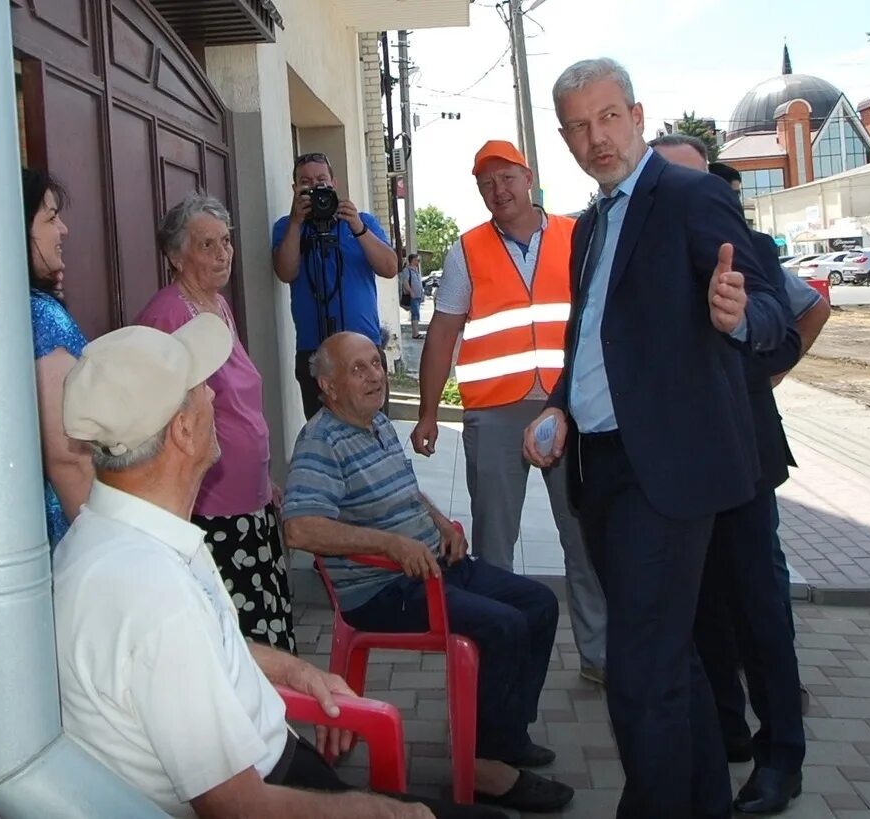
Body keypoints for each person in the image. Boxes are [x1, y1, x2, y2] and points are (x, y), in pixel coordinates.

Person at [51, 315, 500, 819]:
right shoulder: (153, 593)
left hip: (281, 762)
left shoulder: (124, 535)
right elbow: (237, 806)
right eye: (202, 389)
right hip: (266, 790)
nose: (216, 398)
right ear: (182, 430)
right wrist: (386, 813)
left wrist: (295, 669)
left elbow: (201, 644)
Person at [525, 57, 796, 818]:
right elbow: (590, 335)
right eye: (579, 126)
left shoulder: (689, 194)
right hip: (599, 469)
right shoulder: (588, 226)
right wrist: (560, 406)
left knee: (639, 672)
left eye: (608, 117)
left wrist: (738, 316)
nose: (596, 137)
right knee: (670, 663)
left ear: (638, 117)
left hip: (667, 475)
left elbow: (771, 309)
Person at [283, 331, 576, 814]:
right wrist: (391, 545)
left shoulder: (375, 424)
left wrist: (440, 523)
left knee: (540, 605)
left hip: (429, 567)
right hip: (381, 589)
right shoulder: (321, 442)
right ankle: (484, 769)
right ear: (328, 388)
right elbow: (299, 528)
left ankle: (505, 737)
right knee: (502, 627)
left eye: (376, 363)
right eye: (358, 369)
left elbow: (405, 494)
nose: (376, 374)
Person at [650, 135, 818, 815]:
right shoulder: (638, 248)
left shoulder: (747, 248)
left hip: (743, 457)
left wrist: (751, 332)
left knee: (757, 606)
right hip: (669, 465)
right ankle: (724, 732)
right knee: (697, 609)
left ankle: (783, 755)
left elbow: (790, 313)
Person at [409, 140, 608, 685]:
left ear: (528, 178)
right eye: (486, 185)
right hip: (495, 412)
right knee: (495, 542)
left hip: (569, 406)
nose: (498, 191)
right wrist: (428, 413)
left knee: (583, 538)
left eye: (506, 179)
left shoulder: (576, 236)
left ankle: (600, 657)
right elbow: (443, 332)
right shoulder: (467, 250)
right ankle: (495, 656)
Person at [134, 193, 294, 651]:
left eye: (226, 241)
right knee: (241, 639)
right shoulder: (168, 315)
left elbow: (238, 405)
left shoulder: (217, 306)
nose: (223, 253)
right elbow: (160, 414)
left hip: (250, 501)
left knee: (270, 626)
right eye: (207, 245)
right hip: (212, 509)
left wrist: (264, 476)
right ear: (175, 256)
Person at [272, 152, 400, 417]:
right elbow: (285, 272)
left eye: (321, 179)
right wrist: (296, 223)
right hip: (313, 350)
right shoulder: (286, 227)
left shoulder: (362, 221)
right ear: (295, 189)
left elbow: (390, 268)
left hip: (364, 348)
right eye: (306, 182)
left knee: (372, 428)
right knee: (323, 436)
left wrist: (358, 228)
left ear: (334, 183)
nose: (315, 187)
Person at [23, 167, 91, 546]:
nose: (62, 229)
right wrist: (103, 543)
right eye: (50, 218)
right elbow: (68, 455)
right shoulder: (40, 316)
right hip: (69, 529)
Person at [399, 253, 425, 337]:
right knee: (415, 314)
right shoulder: (407, 270)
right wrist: (411, 292)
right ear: (412, 260)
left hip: (418, 296)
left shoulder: (416, 270)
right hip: (412, 296)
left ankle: (416, 332)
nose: (418, 261)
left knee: (417, 314)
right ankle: (415, 334)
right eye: (417, 260)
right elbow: (405, 283)